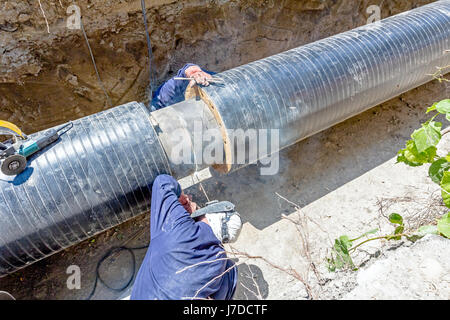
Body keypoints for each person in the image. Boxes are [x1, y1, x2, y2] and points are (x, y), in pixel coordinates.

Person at [131, 174, 242, 300]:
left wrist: (181, 198)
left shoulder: (177, 227)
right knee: (230, 272)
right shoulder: (218, 260)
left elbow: (162, 182)